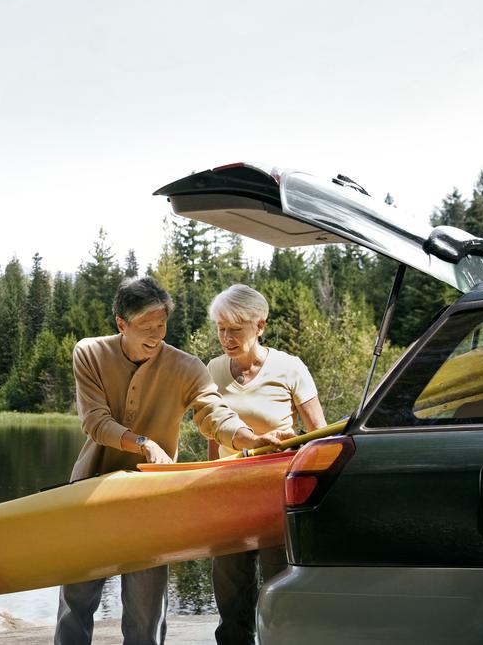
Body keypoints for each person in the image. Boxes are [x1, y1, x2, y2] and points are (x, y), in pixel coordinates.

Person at [54, 276, 294, 645]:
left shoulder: (186, 367)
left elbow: (216, 416)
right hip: (90, 491)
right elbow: (95, 421)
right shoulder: (90, 353)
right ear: (122, 323)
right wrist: (144, 443)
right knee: (77, 602)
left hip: (154, 499)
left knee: (147, 614)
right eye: (146, 327)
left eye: (162, 325)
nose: (156, 334)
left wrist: (253, 438)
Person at [205, 284, 327, 645]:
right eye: (220, 328)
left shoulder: (290, 368)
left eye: (235, 329)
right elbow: (213, 438)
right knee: (230, 595)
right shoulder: (213, 369)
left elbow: (318, 434)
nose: (226, 337)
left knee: (280, 591)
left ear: (259, 326)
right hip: (229, 496)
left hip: (278, 497)